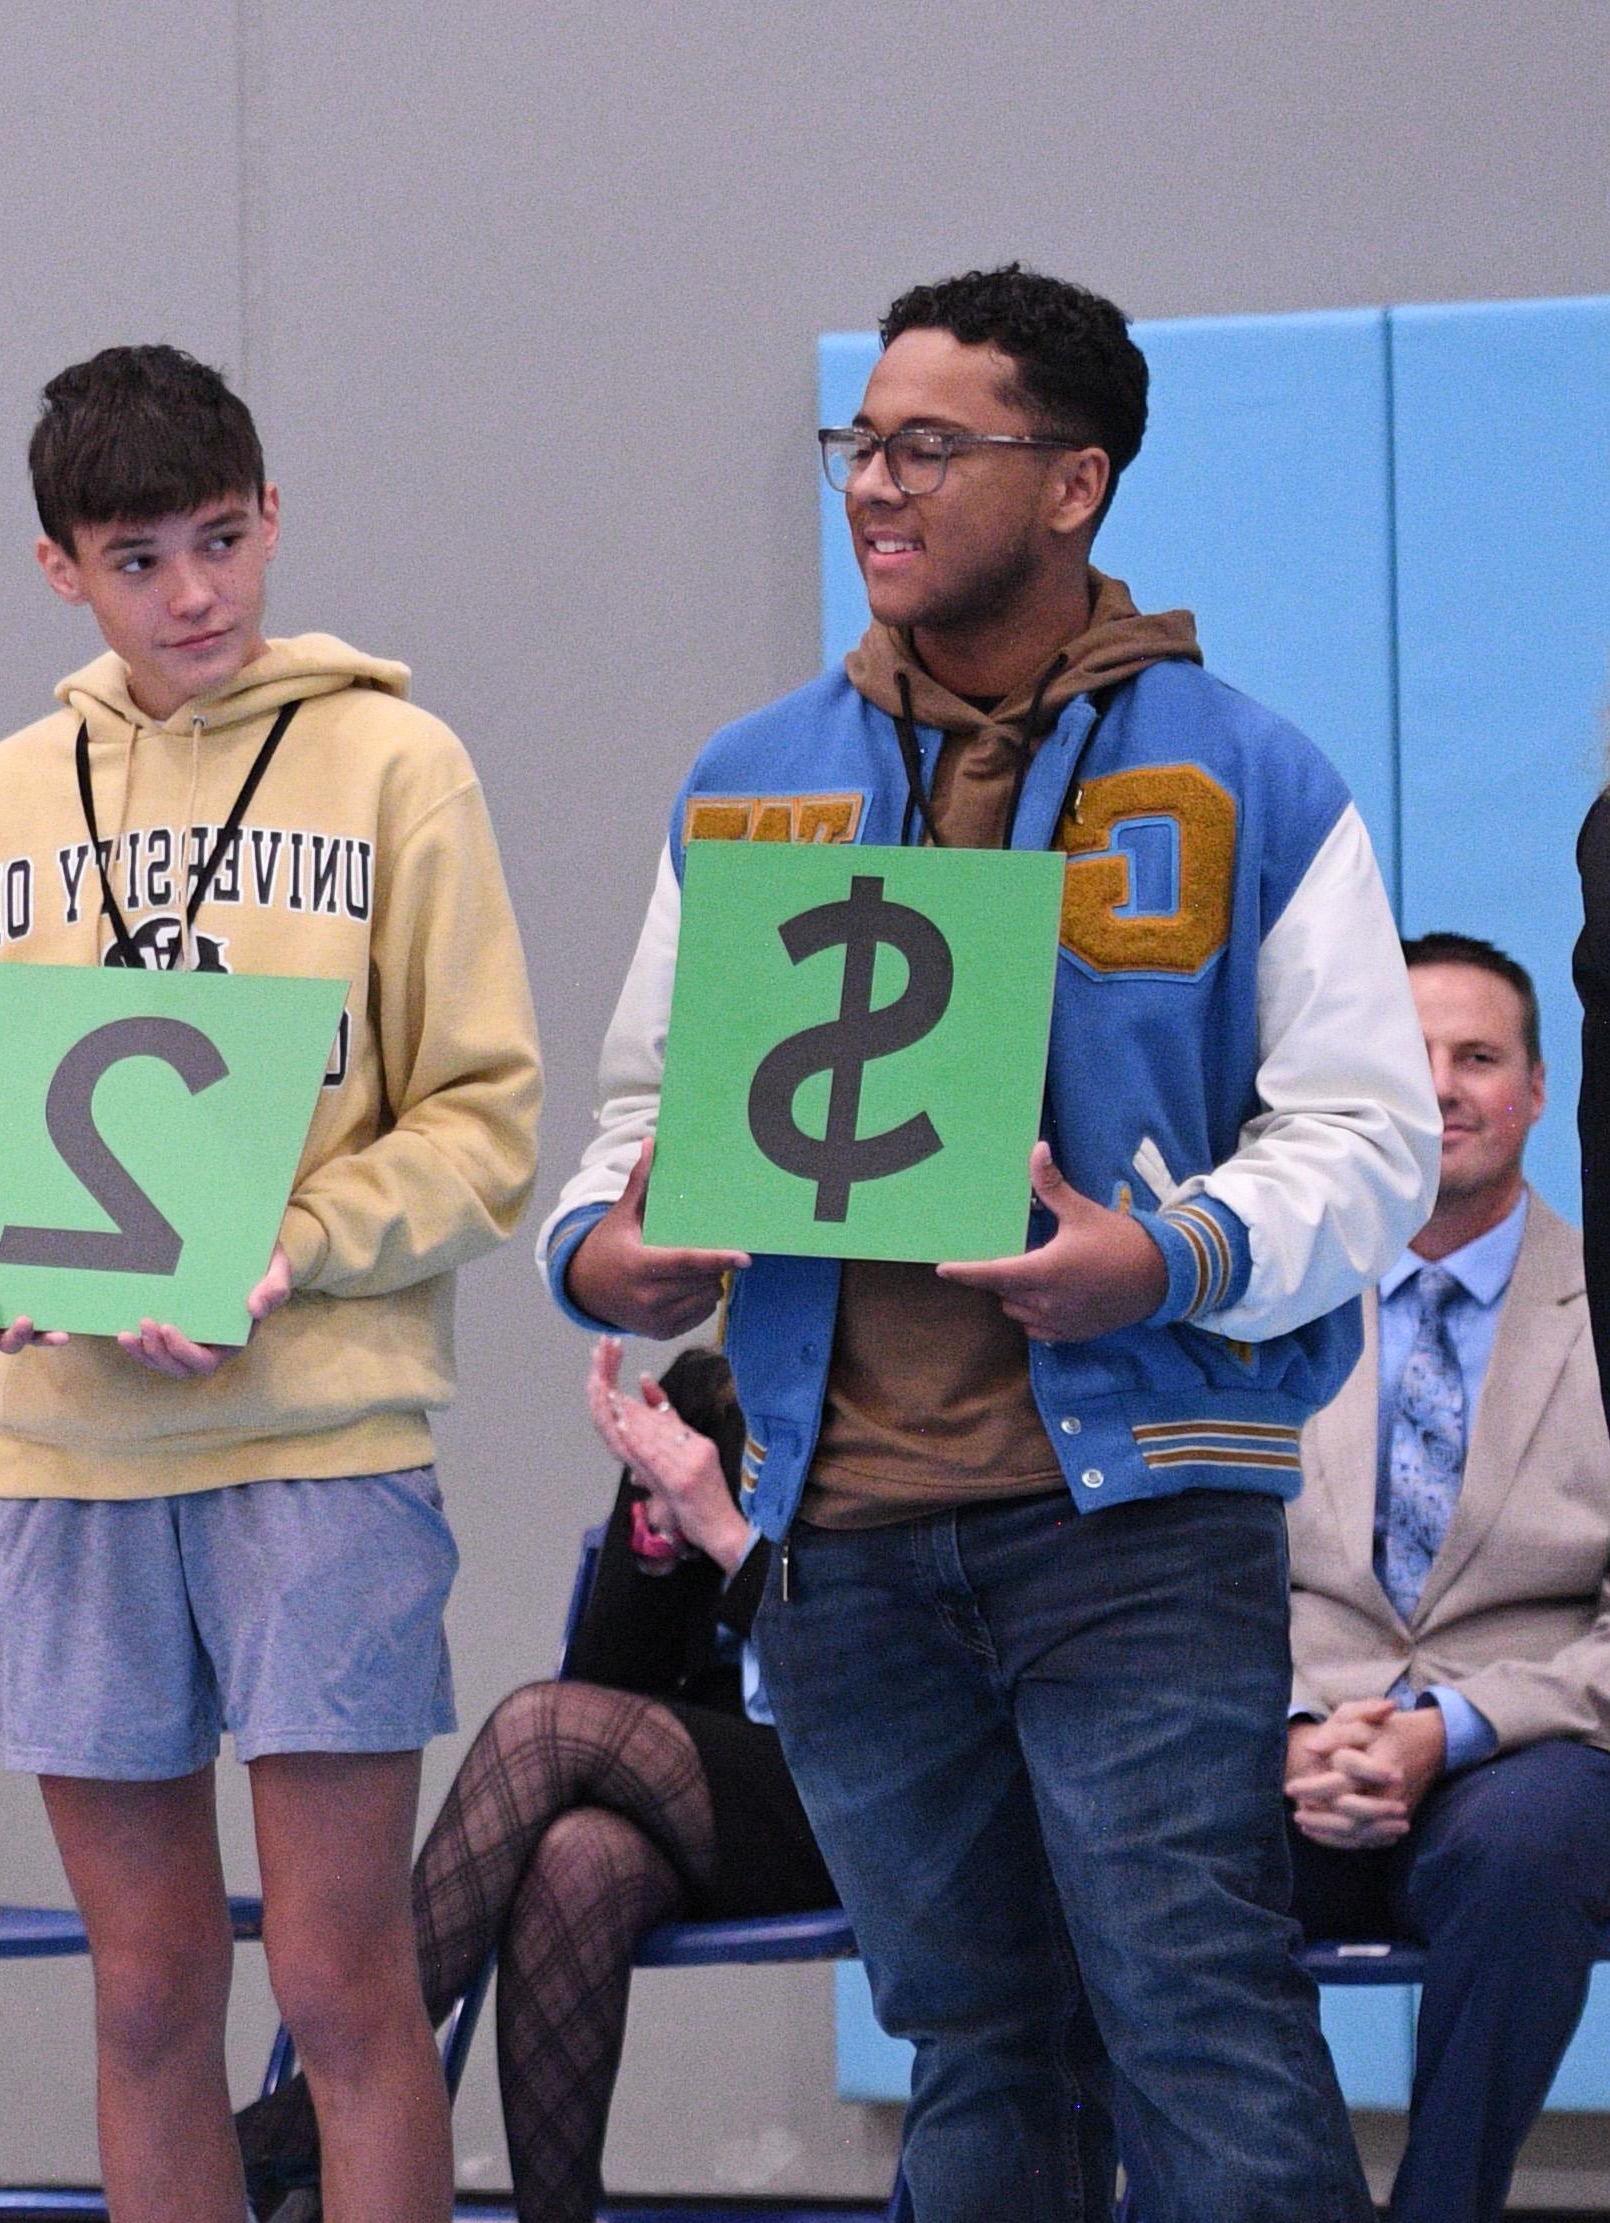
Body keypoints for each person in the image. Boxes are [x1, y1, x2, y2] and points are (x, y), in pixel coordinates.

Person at [541, 265, 1434, 2220]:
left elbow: (1368, 1133)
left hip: (1128, 1522)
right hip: (839, 1530)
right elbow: (631, 1115)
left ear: (1071, 483)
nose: (872, 483)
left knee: (1193, 2015)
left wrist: (1168, 1255)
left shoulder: (1244, 770)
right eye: (858, 443)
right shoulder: (748, 778)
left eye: (924, 445)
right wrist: (611, 1247)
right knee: (969, 2045)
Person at [0, 344, 537, 2223]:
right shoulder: (12, 789)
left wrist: (289, 1251)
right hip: (70, 1456)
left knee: (344, 1978)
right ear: (60, 571)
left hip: (318, 1446)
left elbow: (483, 1118)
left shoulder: (397, 761)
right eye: (141, 556)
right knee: (150, 1985)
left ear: (275, 519)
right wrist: (8, 1252)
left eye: (224, 540)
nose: (194, 594)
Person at [231, 1344, 834, 2223]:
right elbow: (609, 1683)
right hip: (734, 1789)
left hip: (878, 1794)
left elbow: (874, 1675)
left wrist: (725, 1535)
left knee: (538, 1726)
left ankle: (301, 2120)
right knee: (576, 1853)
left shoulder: (895, 1416)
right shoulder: (712, 1389)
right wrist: (657, 1540)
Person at [1283, 932, 1610, 2223]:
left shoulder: (1604, 1305)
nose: (1444, 1086)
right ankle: (1283, 2197)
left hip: (1527, 1744)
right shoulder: (1273, 1299)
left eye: (1478, 1056)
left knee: (1531, 1850)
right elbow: (1194, 1579)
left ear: (1537, 1087)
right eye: (1411, 1057)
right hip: (1306, 1737)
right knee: (1152, 1848)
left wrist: (1449, 1728)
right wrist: (1290, 1730)